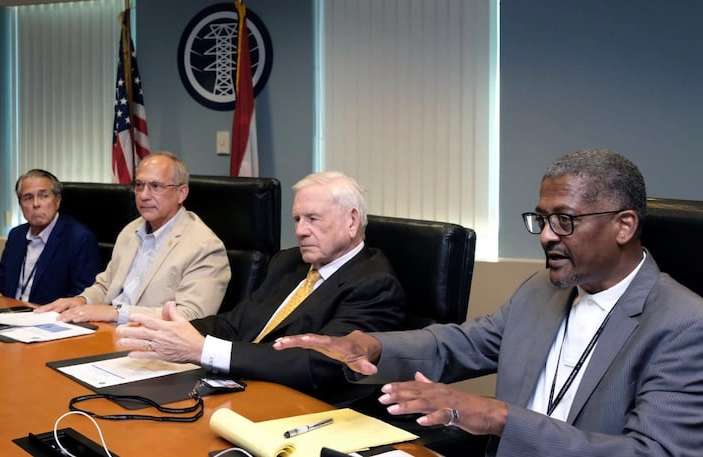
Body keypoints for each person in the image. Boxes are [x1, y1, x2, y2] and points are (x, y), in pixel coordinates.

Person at [275, 149, 703, 456]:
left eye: (565, 221)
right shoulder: (541, 290)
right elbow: (458, 343)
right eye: (542, 219)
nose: (546, 235)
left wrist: (500, 418)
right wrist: (372, 347)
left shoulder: (682, 323)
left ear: (624, 226)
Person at [115, 171, 406, 406]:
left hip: (306, 409)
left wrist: (203, 350)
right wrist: (169, 332)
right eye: (297, 219)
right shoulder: (290, 262)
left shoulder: (374, 283)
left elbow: (318, 364)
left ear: (352, 220)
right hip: (243, 389)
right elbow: (234, 324)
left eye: (313, 219)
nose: (301, 230)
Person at [38, 151, 231, 323]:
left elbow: (191, 316)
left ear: (181, 193)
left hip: (155, 348)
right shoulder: (131, 230)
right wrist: (80, 301)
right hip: (106, 333)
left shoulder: (204, 246)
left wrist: (116, 313)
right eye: (139, 185)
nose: (144, 195)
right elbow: (106, 287)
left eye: (155, 186)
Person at [0, 169, 100, 305]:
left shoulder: (79, 238)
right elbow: (1, 276)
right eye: (28, 198)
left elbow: (83, 293)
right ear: (20, 205)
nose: (36, 204)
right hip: (10, 312)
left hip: (50, 318)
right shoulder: (16, 235)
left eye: (43, 196)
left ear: (57, 201)